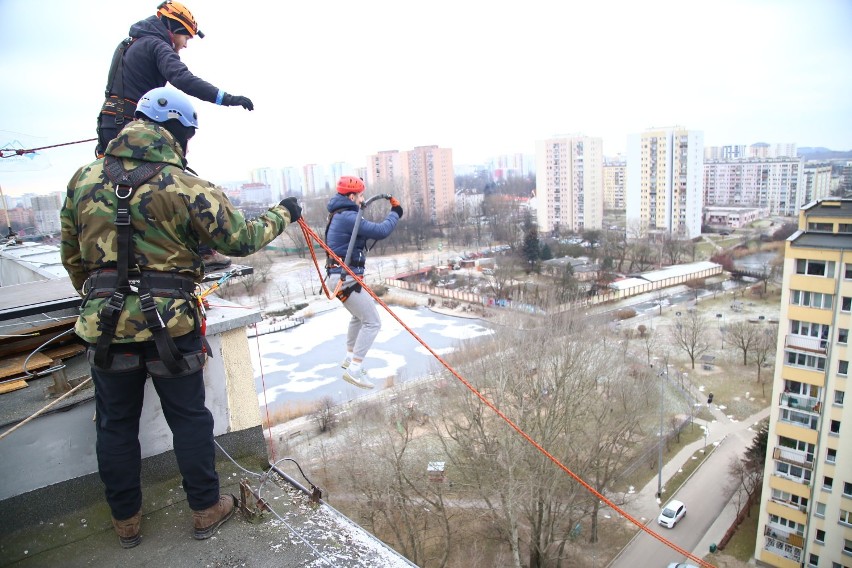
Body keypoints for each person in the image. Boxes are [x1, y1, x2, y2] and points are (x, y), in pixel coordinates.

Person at [60, 86, 302, 548]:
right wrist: (283, 214)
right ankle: (205, 508)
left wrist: (100, 301)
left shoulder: (83, 179)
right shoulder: (186, 185)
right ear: (175, 132)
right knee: (189, 419)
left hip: (105, 328)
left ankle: (125, 521)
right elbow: (238, 238)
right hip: (170, 327)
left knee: (114, 423)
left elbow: (72, 256)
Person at [96, 1, 253, 269]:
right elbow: (182, 79)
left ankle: (116, 253)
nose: (185, 44)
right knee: (176, 184)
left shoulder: (128, 45)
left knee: (116, 189)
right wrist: (227, 98)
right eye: (185, 37)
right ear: (173, 28)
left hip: (112, 123)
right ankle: (203, 250)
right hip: (131, 125)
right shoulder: (157, 45)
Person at [325, 176, 402, 389]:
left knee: (358, 318)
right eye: (360, 195)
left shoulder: (339, 214)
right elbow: (381, 231)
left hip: (339, 278)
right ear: (352, 196)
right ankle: (355, 369)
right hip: (346, 278)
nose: (363, 199)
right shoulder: (348, 217)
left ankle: (350, 357)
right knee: (373, 322)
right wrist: (396, 213)